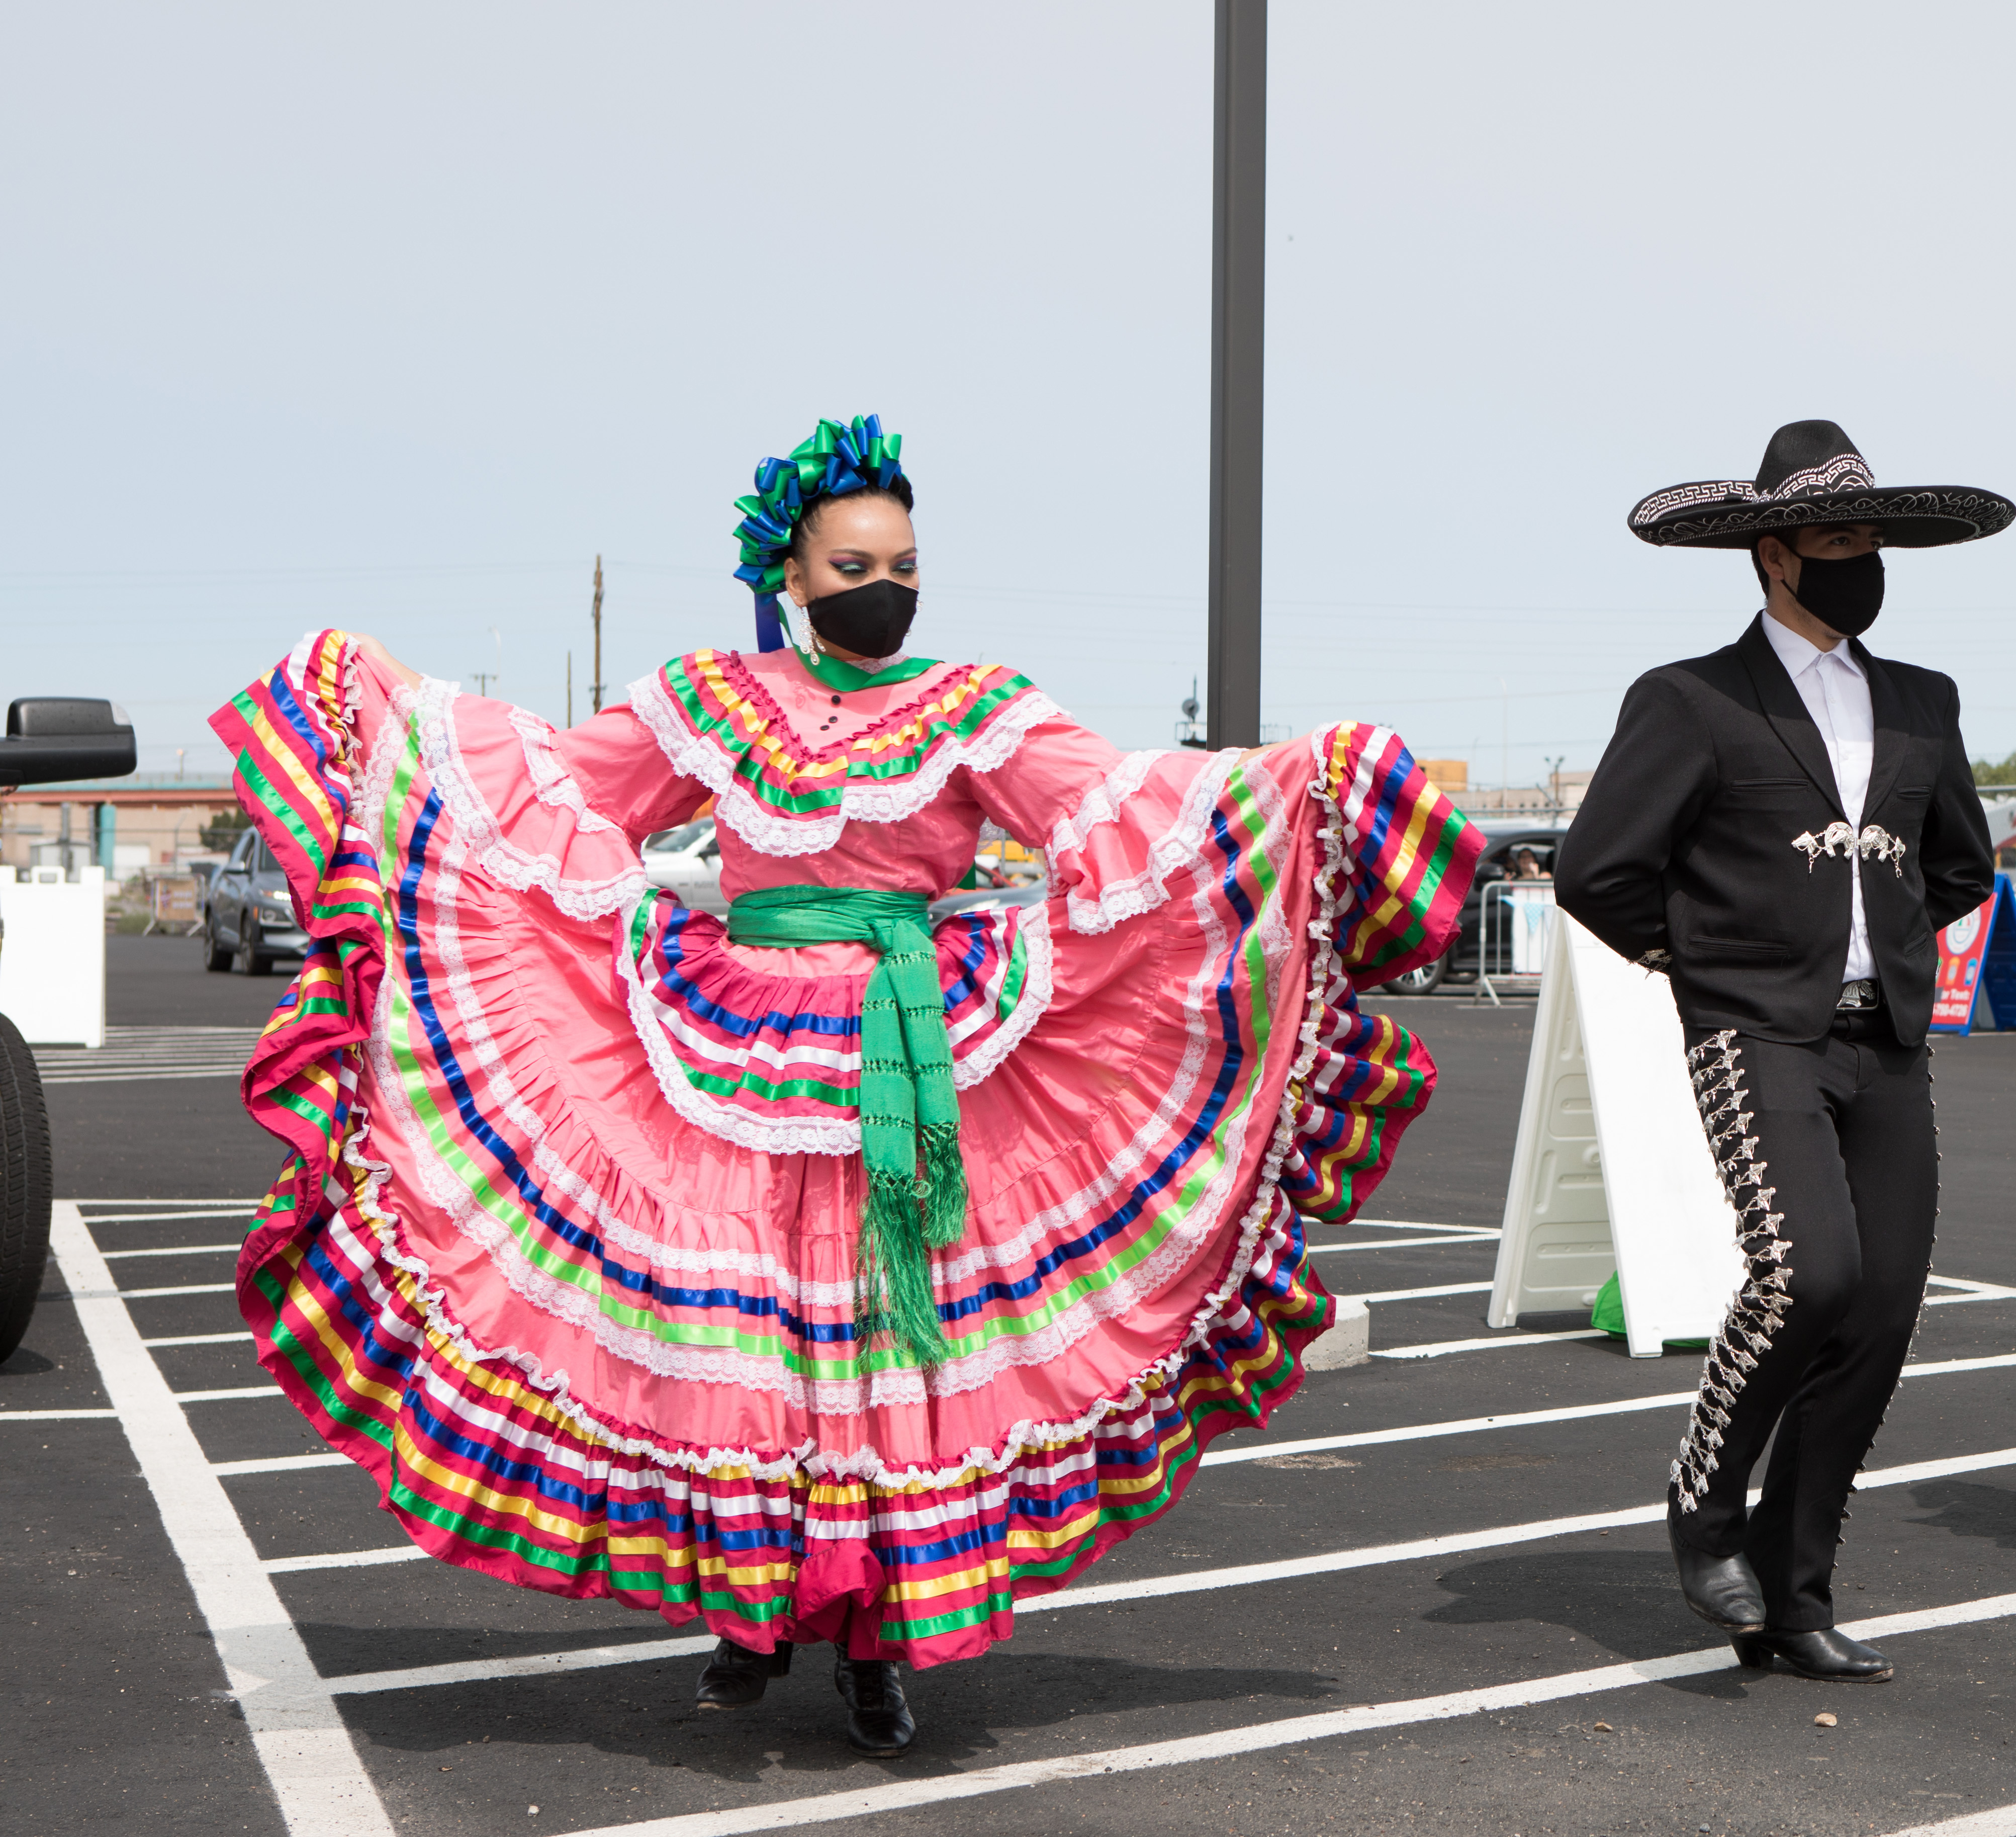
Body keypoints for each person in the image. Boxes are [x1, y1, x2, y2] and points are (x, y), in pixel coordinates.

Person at [209, 417, 1480, 1753]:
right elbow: (550, 794)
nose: (890, 583)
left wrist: (1300, 779)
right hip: (736, 1050)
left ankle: (880, 1651)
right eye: (860, 560)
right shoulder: (707, 695)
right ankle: (749, 1621)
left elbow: (1124, 806)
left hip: (917, 1042)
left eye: (909, 561)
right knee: (754, 1350)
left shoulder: (979, 705)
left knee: (887, 1354)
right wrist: (399, 704)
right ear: (796, 576)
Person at [1559, 419, 2004, 1682]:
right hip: (1757, 1033)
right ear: (1771, 552)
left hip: (1889, 1043)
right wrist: (1720, 964)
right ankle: (1705, 1505)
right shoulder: (1692, 698)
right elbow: (1599, 871)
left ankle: (1795, 1593)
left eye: (1874, 538)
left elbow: (1961, 859)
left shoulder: (1923, 702)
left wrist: (1892, 941)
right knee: (1807, 1274)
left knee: (1880, 1314)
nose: (1861, 559)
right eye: (1834, 538)